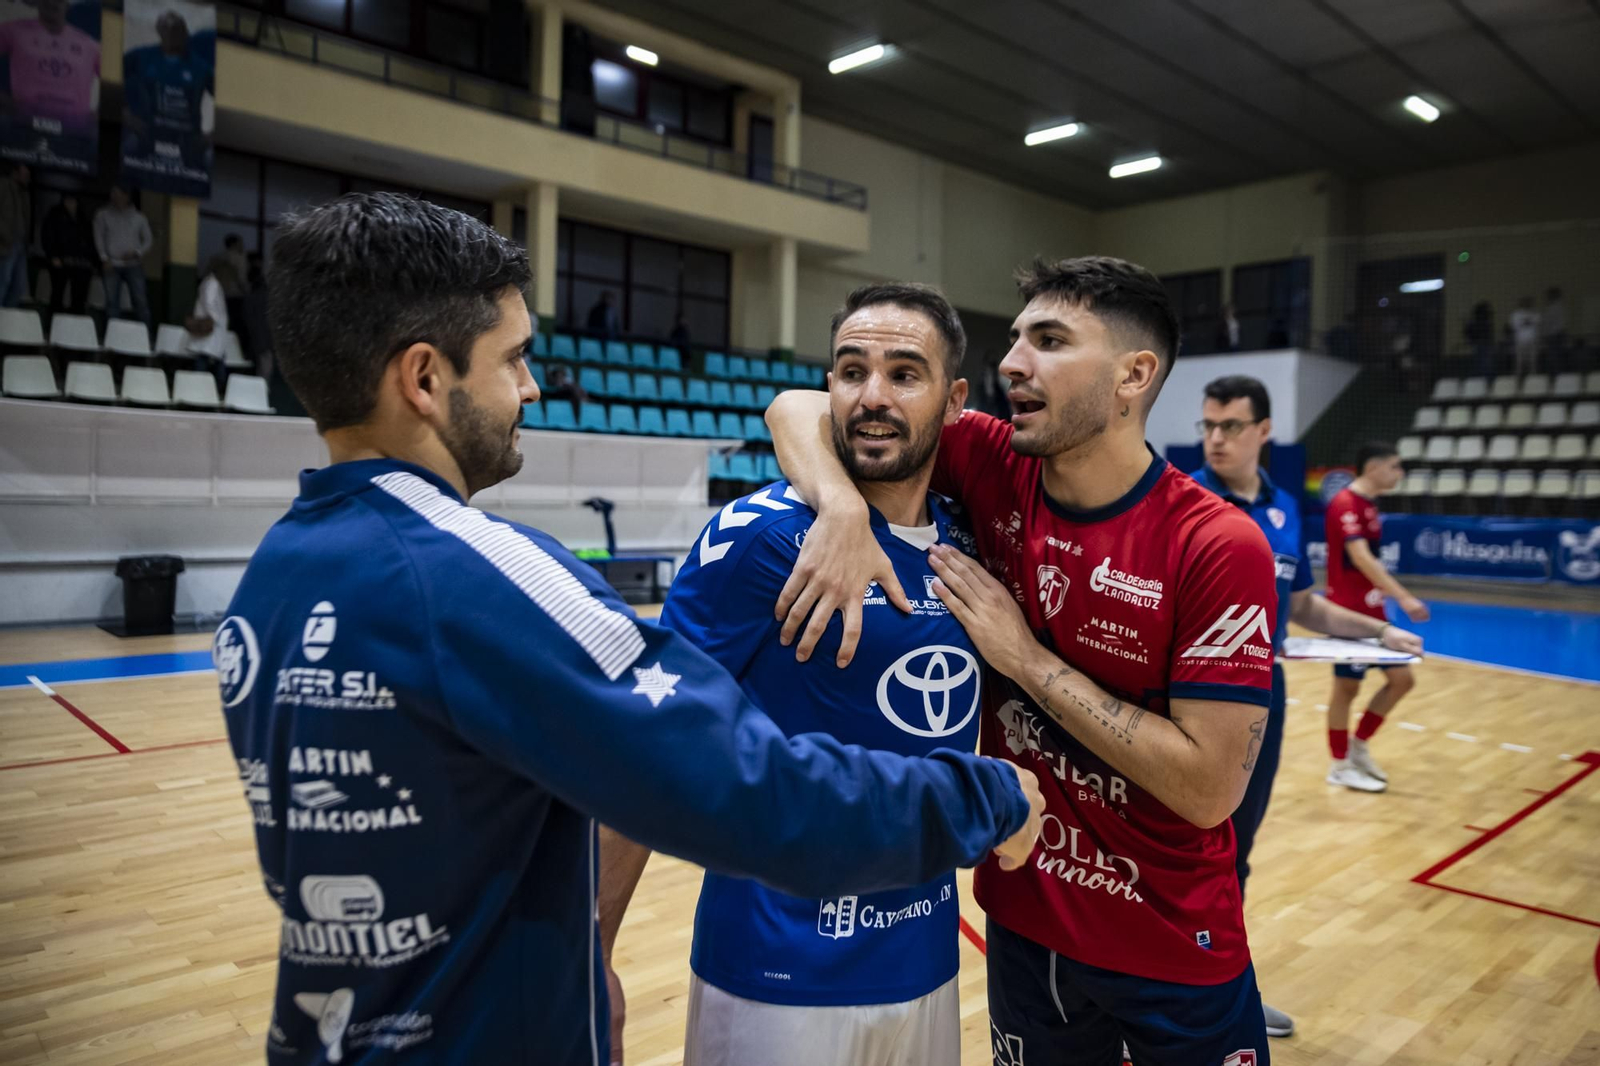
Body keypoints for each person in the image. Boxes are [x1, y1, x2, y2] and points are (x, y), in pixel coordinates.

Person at [222, 193, 1042, 1066]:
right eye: (514, 359)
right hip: (513, 1030)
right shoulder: (490, 577)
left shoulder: (275, 575)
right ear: (424, 379)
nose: (532, 386)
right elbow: (735, 785)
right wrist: (984, 798)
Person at [769, 256, 1279, 1065]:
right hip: (1025, 926)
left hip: (1171, 944)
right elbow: (797, 404)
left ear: (1132, 376)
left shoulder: (1215, 543)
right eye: (1015, 339)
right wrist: (839, 506)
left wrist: (1027, 660)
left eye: (1048, 340)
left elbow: (1210, 789)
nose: (1011, 363)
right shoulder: (992, 461)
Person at [602, 283, 984, 1066]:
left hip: (927, 967)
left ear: (955, 401)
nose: (872, 397)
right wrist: (592, 947)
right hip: (776, 975)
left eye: (905, 374)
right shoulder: (762, 538)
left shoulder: (972, 538)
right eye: (851, 371)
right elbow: (644, 742)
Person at [1190, 375, 1425, 1037]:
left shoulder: (1286, 508)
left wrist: (1379, 630)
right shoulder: (1177, 499)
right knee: (1184, 851)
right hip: (1189, 702)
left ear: (1264, 432)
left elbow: (1300, 606)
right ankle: (1156, 993)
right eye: (1210, 425)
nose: (1216, 438)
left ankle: (1226, 987)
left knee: (1236, 853)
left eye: (1231, 425)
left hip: (1264, 697)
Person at [1322, 442, 1430, 793]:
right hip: (1347, 617)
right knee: (1346, 688)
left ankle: (1359, 744)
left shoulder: (1369, 504)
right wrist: (1405, 597)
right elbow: (1362, 558)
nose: (1399, 474)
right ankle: (1339, 765)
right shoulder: (1345, 503)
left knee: (1403, 680)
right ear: (1373, 467)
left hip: (1373, 612)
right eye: (1395, 467)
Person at [121, 9, 214, 173]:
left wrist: (208, 138)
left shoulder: (201, 68)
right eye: (168, 29)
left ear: (185, 32)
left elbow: (223, 97)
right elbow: (110, 75)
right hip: (146, 136)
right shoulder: (141, 56)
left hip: (187, 143)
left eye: (178, 29)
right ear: (160, 32)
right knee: (125, 148)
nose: (173, 34)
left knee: (209, 160)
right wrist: (127, 116)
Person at [0, 0, 101, 147]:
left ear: (67, 4)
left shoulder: (89, 45)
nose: (52, 2)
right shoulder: (12, 30)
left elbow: (115, 84)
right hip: (21, 126)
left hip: (73, 134)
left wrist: (98, 116)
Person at [94, 185, 153, 324]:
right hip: (111, 263)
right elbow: (98, 237)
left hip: (134, 264)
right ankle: (112, 335)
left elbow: (148, 240)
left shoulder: (139, 217)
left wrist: (137, 252)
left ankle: (145, 335)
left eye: (119, 194)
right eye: (113, 194)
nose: (115, 197)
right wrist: (104, 258)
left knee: (140, 299)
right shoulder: (102, 215)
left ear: (127, 196)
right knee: (111, 301)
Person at [42, 194, 95, 314]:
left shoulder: (82, 217)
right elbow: (48, 236)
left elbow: (89, 239)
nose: (70, 203)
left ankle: (75, 323)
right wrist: (53, 256)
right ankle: (53, 324)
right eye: (68, 200)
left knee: (79, 297)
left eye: (73, 201)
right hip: (60, 260)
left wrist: (89, 260)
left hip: (79, 262)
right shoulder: (55, 214)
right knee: (57, 294)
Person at [205, 234, 250, 343]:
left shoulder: (216, 258)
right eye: (240, 243)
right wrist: (246, 291)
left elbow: (207, 274)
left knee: (223, 324)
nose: (242, 245)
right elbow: (240, 278)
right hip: (235, 295)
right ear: (234, 244)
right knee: (237, 325)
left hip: (219, 296)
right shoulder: (238, 258)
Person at [183, 266, 228, 368]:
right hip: (211, 328)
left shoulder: (207, 282)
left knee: (208, 357)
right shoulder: (213, 283)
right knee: (206, 358)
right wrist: (216, 319)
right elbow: (209, 302)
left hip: (212, 332)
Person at [0, 163, 30, 307]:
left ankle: (6, 318)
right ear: (15, 173)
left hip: (20, 245)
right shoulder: (3, 186)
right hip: (5, 244)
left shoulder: (23, 193)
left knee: (19, 286)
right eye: (24, 174)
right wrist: (4, 235)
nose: (26, 177)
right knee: (3, 282)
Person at [1507, 296, 1540, 377]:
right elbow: (1513, 326)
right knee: (1519, 362)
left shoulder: (1535, 313)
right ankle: (1518, 380)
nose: (1526, 304)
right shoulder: (1516, 314)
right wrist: (1526, 322)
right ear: (1521, 303)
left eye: (1528, 302)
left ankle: (1533, 379)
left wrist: (1525, 322)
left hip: (1532, 340)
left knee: (1532, 362)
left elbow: (1538, 323)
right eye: (1525, 302)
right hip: (1520, 341)